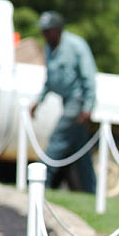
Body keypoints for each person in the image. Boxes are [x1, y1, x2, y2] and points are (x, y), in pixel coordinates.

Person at [30, 11, 97, 193]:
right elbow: (50, 80)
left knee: (57, 140)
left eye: (48, 30)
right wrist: (39, 101)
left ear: (58, 30)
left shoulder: (76, 46)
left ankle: (40, 181)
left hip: (78, 101)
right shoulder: (49, 48)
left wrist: (88, 106)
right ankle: (92, 191)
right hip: (65, 100)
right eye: (43, 31)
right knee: (81, 151)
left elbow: (89, 77)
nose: (44, 34)